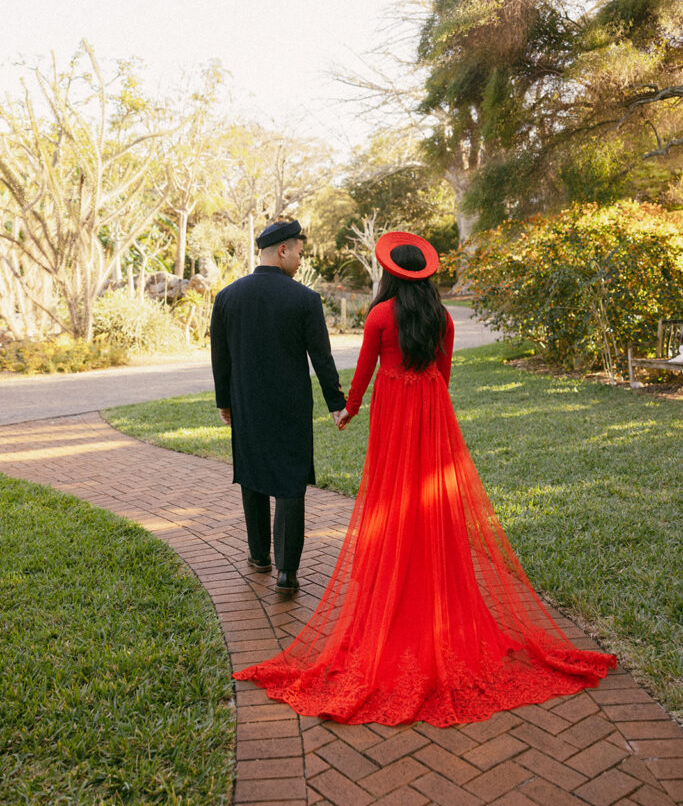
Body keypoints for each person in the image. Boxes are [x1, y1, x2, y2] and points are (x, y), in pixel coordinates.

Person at [233, 231, 616, 726]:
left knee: (390, 501)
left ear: (391, 273)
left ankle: (393, 595)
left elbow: (366, 373)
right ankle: (435, 590)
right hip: (432, 413)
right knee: (432, 502)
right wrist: (428, 404)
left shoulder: (378, 316)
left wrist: (347, 411)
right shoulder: (442, 317)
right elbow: (445, 373)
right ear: (426, 274)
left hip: (394, 415)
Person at [210, 219, 346, 595]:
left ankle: (258, 557)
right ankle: (287, 573)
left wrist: (225, 402)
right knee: (289, 484)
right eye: (299, 252)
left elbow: (219, 358)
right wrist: (337, 403)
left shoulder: (227, 297)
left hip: (246, 403)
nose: (301, 261)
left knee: (252, 475)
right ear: (283, 250)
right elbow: (321, 357)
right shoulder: (304, 299)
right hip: (290, 407)